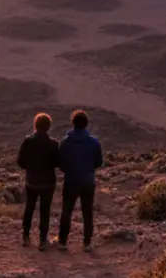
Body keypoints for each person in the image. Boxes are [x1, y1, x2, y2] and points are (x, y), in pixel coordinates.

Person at [56, 108, 103, 252]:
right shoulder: (94, 142)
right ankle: (87, 242)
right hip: (87, 179)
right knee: (87, 212)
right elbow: (99, 162)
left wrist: (70, 169)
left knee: (67, 210)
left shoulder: (65, 142)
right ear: (86, 124)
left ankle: (62, 241)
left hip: (71, 179)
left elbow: (61, 163)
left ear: (73, 123)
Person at [16, 112, 60, 250]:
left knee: (29, 207)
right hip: (48, 182)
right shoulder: (53, 144)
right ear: (48, 127)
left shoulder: (28, 141)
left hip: (32, 181)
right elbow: (57, 162)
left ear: (35, 125)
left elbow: (20, 162)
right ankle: (42, 239)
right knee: (45, 211)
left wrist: (29, 167)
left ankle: (26, 236)